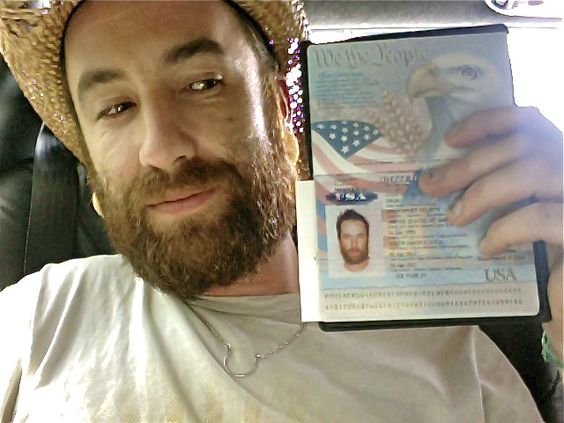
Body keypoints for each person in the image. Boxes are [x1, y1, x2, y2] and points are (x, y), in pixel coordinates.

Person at [0, 0, 562, 421]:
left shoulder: (457, 354)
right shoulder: (38, 316)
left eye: (202, 84)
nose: (162, 147)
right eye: (116, 107)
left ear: (276, 105)